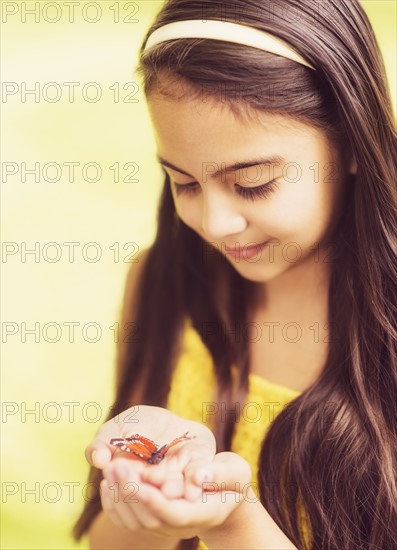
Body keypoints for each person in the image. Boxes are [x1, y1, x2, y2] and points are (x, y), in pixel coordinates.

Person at [72, 0, 397, 548]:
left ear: (350, 140)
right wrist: (148, 492)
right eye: (185, 183)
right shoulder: (162, 283)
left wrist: (230, 521)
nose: (216, 224)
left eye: (253, 182)